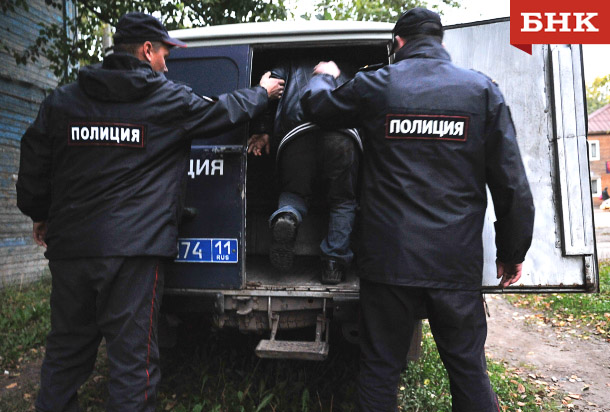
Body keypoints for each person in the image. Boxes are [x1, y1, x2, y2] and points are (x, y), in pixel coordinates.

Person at [16, 12, 283, 412]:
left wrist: (39, 213)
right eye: (164, 55)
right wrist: (261, 93)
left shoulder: (63, 101)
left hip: (71, 249)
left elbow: (34, 160)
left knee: (65, 352)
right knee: (131, 362)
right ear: (146, 50)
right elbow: (221, 110)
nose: (167, 65)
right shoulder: (165, 99)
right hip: (134, 253)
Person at [301, 8, 535, 412]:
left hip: (389, 259)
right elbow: (511, 183)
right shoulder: (481, 91)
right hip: (454, 260)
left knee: (380, 370)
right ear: (440, 41)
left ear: (398, 43)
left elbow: (318, 109)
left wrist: (324, 76)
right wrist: (513, 251)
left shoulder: (377, 85)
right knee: (468, 369)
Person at [247, 55, 360, 284]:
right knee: (342, 200)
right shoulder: (353, 63)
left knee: (294, 192)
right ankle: (333, 264)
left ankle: (287, 216)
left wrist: (262, 129)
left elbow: (268, 88)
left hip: (296, 134)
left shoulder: (288, 64)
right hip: (342, 133)